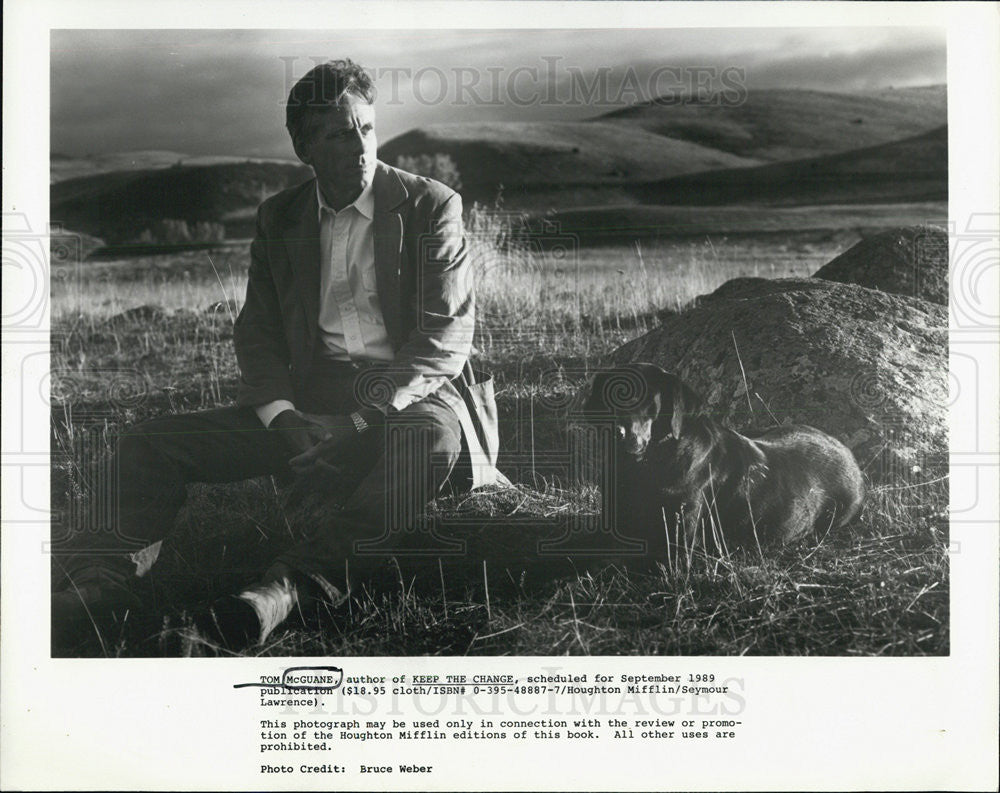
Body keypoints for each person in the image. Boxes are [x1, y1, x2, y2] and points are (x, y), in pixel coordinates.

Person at [52, 59, 505, 650]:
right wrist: (284, 418)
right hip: (310, 404)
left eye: (367, 128)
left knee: (428, 444)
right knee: (149, 442)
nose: (360, 145)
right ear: (304, 148)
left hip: (409, 401)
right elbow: (258, 334)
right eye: (340, 134)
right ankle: (101, 581)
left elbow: (443, 338)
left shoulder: (431, 206)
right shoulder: (280, 217)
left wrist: (362, 418)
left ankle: (285, 590)